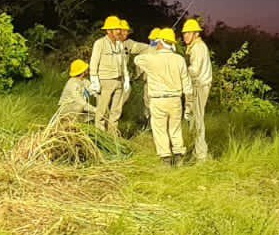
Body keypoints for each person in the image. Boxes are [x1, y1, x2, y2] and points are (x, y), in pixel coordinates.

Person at [134, 29, 193, 167]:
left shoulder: (151, 58)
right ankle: (179, 157)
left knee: (160, 130)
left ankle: (166, 159)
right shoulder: (179, 59)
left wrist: (151, 47)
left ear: (159, 42)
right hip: (175, 100)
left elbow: (137, 59)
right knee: (175, 129)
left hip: (158, 100)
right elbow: (187, 84)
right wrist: (189, 103)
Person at [88, 15, 131, 136]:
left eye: (119, 29)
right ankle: (100, 136)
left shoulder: (120, 45)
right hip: (105, 81)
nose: (119, 31)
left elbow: (123, 64)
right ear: (108, 30)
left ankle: (113, 136)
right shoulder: (100, 43)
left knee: (116, 111)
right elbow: (94, 62)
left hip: (119, 81)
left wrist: (126, 78)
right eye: (116, 29)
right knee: (102, 111)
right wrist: (94, 80)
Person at [181, 17, 212, 162]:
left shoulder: (198, 48)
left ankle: (201, 156)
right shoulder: (195, 47)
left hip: (199, 86)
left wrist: (179, 69)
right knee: (193, 120)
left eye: (189, 33)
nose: (185, 36)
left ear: (196, 34)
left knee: (197, 120)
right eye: (184, 33)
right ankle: (196, 152)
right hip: (197, 86)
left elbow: (194, 70)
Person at [46, 59, 96, 131]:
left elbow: (92, 91)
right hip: (68, 109)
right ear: (82, 72)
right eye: (85, 70)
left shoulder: (85, 81)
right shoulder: (72, 83)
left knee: (91, 115)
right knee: (80, 107)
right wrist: (94, 110)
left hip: (79, 108)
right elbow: (80, 102)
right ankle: (68, 126)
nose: (87, 71)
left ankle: (78, 126)